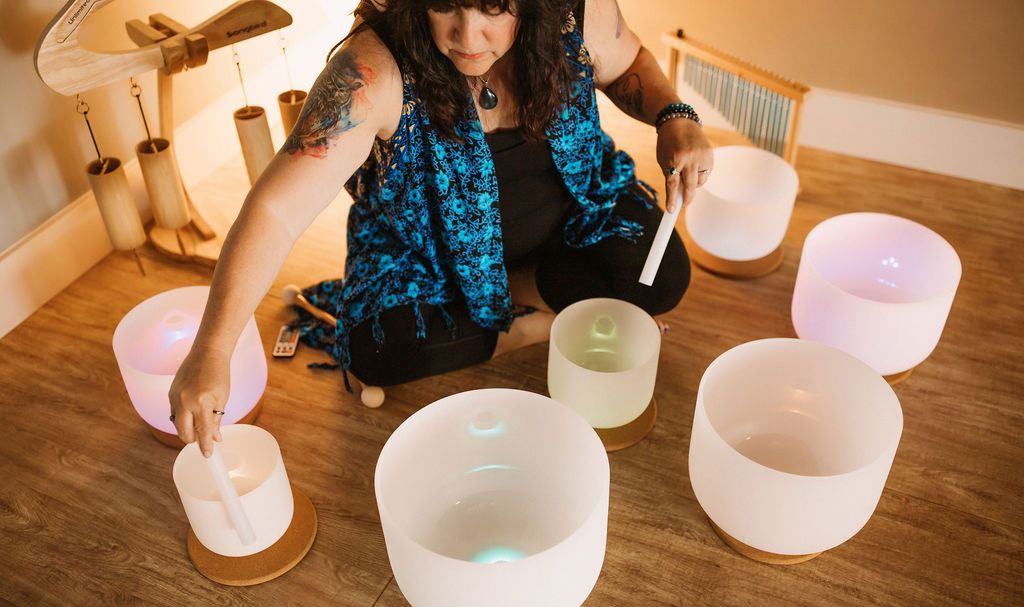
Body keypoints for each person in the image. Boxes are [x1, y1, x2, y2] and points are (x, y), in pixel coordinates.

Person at [169, 0, 714, 456]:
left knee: (658, 278)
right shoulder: (371, 71)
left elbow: (626, 63)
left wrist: (675, 116)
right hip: (430, 260)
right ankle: (543, 321)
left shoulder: (575, 13)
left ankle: (525, 294)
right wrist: (212, 349)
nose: (466, 36)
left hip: (572, 221)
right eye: (444, 4)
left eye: (494, 8)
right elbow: (276, 210)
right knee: (374, 349)